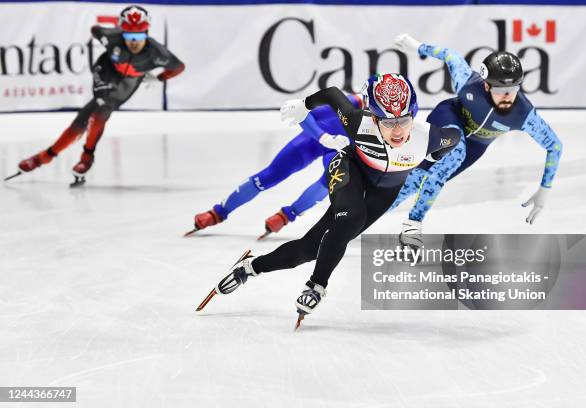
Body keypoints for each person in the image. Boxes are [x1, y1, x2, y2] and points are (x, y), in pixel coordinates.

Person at [195, 74, 461, 328]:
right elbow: (333, 95)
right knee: (350, 218)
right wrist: (303, 105)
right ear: (372, 115)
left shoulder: (429, 137)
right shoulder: (358, 122)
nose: (397, 130)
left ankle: (251, 267)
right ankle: (316, 286)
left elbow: (454, 138)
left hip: (385, 191)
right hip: (349, 169)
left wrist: (433, 158)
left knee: (309, 249)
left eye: (404, 120)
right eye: (387, 122)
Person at [392, 34, 563, 247]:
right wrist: (418, 47)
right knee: (457, 150)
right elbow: (450, 56)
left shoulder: (524, 115)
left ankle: (358, 215)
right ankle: (413, 225)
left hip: (476, 146)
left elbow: (554, 146)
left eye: (513, 89)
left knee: (413, 182)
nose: (508, 96)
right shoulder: (467, 82)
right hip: (450, 118)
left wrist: (544, 190)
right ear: (486, 86)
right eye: (501, 90)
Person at [5, 5, 185, 186]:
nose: (133, 42)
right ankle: (80, 157)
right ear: (121, 31)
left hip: (129, 82)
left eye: (139, 36)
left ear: (147, 32)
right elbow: (96, 30)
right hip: (106, 71)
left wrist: (160, 78)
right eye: (129, 35)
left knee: (94, 114)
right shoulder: (110, 36)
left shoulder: (158, 53)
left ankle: (51, 156)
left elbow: (178, 67)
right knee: (97, 108)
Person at [185, 95, 362, 239]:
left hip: (339, 150)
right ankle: (218, 212)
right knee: (270, 175)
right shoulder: (349, 103)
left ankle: (287, 216)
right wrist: (324, 138)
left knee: (330, 180)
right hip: (314, 141)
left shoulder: (385, 121)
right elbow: (304, 115)